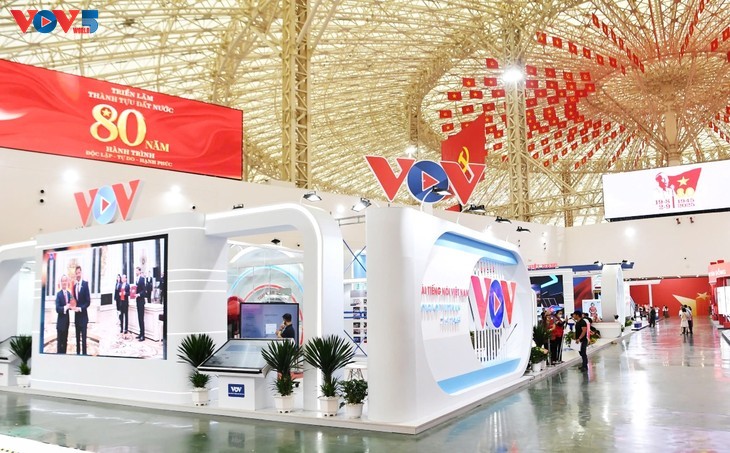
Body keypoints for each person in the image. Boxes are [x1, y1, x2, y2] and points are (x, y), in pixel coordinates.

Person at [72, 265, 91, 355]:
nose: (78, 275)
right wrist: (72, 306)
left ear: (81, 273)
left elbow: (88, 302)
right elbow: (74, 301)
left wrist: (80, 308)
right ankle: (78, 355)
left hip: (83, 317)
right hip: (76, 318)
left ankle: (84, 356)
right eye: (76, 273)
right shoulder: (74, 286)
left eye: (79, 273)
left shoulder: (85, 284)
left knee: (83, 340)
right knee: (77, 339)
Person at [55, 275, 72, 354]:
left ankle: (64, 357)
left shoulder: (69, 294)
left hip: (66, 323)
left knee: (65, 342)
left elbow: (72, 304)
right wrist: (65, 307)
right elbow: (57, 309)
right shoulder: (58, 294)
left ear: (67, 282)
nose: (64, 282)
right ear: (61, 282)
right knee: (60, 344)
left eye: (65, 281)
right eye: (63, 281)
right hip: (60, 323)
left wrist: (73, 306)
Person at [135, 267, 146, 341]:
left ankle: (143, 335)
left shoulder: (142, 279)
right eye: (135, 270)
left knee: (141, 318)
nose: (135, 272)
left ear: (139, 271)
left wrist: (138, 294)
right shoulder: (136, 279)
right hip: (137, 301)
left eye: (136, 271)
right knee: (139, 318)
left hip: (141, 301)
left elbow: (144, 290)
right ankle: (140, 333)